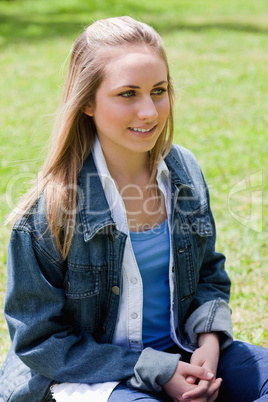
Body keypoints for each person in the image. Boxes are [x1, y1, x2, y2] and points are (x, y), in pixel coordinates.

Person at [0, 16, 267, 402]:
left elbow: (208, 271)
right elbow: (40, 342)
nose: (149, 112)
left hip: (183, 353)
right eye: (128, 94)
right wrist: (157, 370)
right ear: (87, 102)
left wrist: (209, 341)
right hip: (95, 376)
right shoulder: (48, 210)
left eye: (158, 90)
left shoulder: (183, 172)